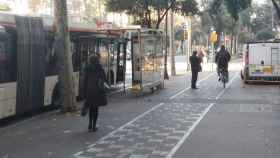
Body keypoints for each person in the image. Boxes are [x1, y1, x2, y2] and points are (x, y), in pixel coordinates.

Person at [83, 54, 107, 132]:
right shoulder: (100, 68)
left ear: (90, 60)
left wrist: (84, 92)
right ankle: (94, 126)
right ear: (97, 60)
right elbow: (104, 78)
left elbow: (85, 80)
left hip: (89, 90)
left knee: (90, 108)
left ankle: (90, 124)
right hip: (97, 90)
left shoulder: (87, 68)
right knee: (96, 109)